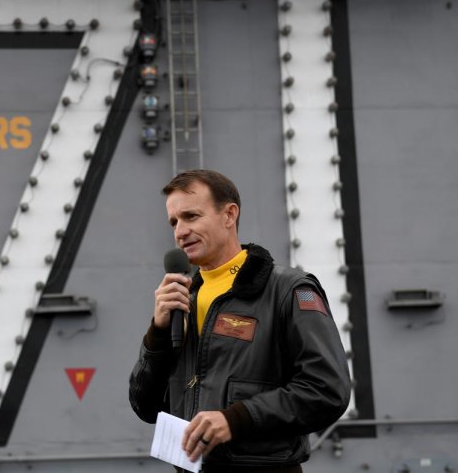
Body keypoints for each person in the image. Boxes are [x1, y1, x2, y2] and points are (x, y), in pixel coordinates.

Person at [129, 169, 351, 472]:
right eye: (174, 222)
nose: (180, 231)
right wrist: (157, 333)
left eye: (191, 216)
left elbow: (327, 390)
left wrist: (235, 420)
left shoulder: (287, 290)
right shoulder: (182, 299)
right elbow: (146, 406)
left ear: (229, 215)